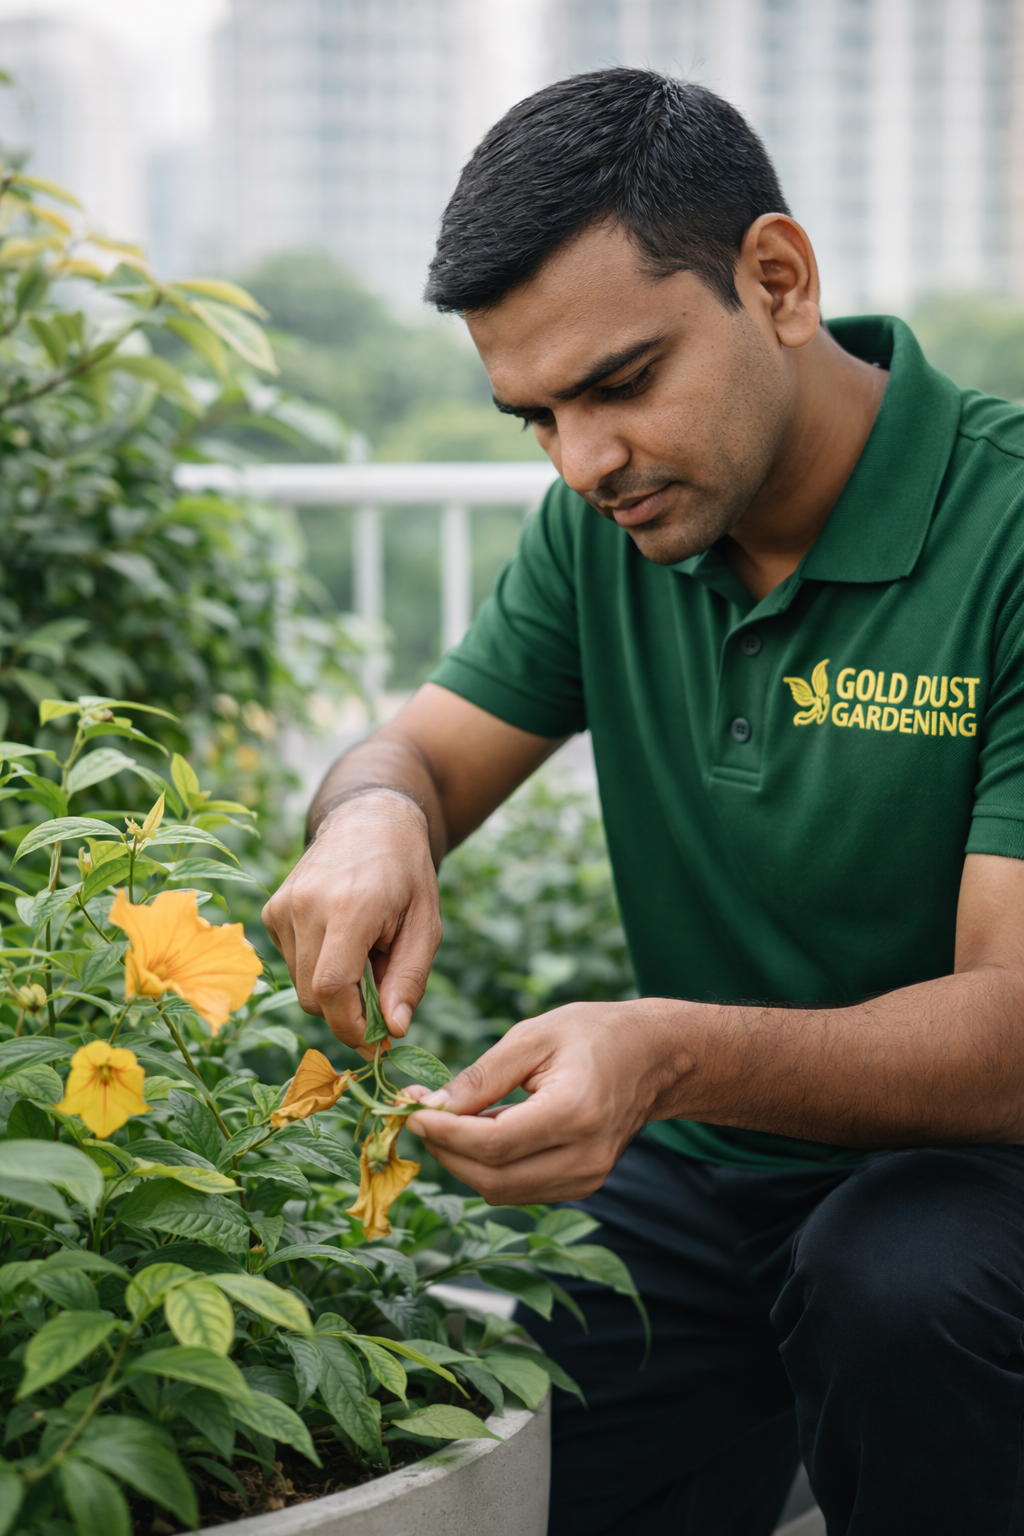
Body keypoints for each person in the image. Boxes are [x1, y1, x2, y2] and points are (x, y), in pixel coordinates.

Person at [263, 69, 1024, 1536]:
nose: (583, 462)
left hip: (977, 1183)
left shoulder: (1005, 533)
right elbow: (416, 755)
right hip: (713, 1170)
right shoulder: (608, 531)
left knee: (894, 1281)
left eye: (619, 384)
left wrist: (663, 1055)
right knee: (472, 1330)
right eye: (536, 417)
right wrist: (373, 819)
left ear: (778, 281)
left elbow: (1014, 1040)